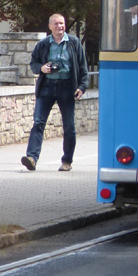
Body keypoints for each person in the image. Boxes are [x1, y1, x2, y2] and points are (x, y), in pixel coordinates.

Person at [21, 13, 88, 172]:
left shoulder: (74, 43)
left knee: (69, 127)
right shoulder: (43, 44)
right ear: (50, 26)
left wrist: (82, 87)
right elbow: (33, 63)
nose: (60, 26)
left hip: (67, 87)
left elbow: (82, 67)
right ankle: (32, 158)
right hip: (47, 87)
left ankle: (67, 161)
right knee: (38, 122)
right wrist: (42, 68)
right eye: (56, 24)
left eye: (62, 23)